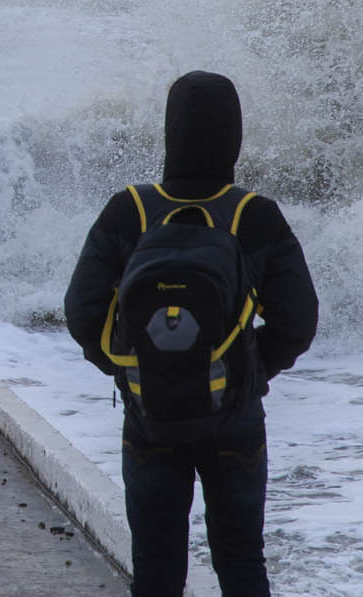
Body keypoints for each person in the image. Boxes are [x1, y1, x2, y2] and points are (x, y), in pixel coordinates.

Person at [64, 71, 319, 597]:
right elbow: (298, 322)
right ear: (234, 134)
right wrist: (247, 370)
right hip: (235, 420)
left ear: (170, 129)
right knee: (242, 562)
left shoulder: (129, 210)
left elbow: (80, 312)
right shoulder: (255, 216)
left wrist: (132, 370)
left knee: (156, 569)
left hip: (150, 418)